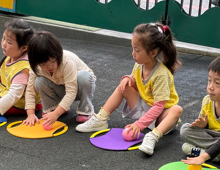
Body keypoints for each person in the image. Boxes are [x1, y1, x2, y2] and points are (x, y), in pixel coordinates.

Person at [76, 22, 183, 156]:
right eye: (133, 49)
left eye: (137, 50)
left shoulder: (161, 74)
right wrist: (128, 79)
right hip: (145, 108)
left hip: (161, 118)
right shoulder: (139, 65)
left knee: (177, 110)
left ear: (153, 53)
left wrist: (139, 124)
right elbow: (135, 81)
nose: (133, 54)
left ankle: (153, 136)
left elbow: (159, 106)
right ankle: (101, 119)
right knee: (124, 85)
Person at [23, 31, 96, 130]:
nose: (49, 67)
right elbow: (30, 90)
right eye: (43, 65)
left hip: (79, 88)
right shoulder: (36, 67)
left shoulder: (67, 61)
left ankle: (85, 110)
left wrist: (56, 114)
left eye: (53, 61)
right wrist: (30, 114)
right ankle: (54, 107)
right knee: (39, 82)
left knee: (84, 77)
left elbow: (71, 92)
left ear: (58, 54)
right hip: (60, 86)